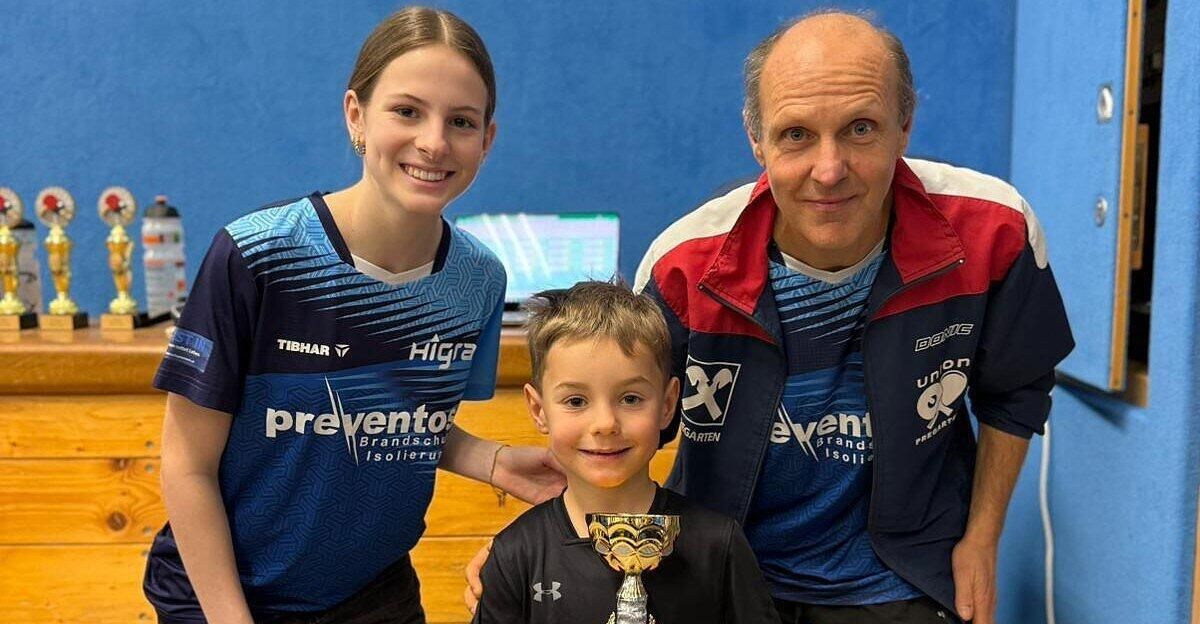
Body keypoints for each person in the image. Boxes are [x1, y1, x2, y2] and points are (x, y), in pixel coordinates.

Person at [630, 10, 1075, 624]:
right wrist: (550, 546)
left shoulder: (993, 230)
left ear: (905, 125)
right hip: (723, 574)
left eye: (860, 128)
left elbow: (1017, 392)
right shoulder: (682, 265)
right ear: (756, 139)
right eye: (796, 135)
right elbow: (619, 428)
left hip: (903, 577)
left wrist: (982, 539)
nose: (830, 169)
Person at [145, 7, 564, 623]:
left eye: (461, 122)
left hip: (374, 596)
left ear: (487, 140)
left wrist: (493, 461)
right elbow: (186, 464)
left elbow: (400, 422)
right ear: (356, 116)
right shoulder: (258, 254)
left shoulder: (478, 280)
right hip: (223, 598)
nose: (434, 142)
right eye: (407, 111)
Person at [470, 281, 779, 623]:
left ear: (667, 404)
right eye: (576, 401)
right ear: (539, 410)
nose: (605, 423)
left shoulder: (718, 544)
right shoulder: (515, 555)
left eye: (631, 399)